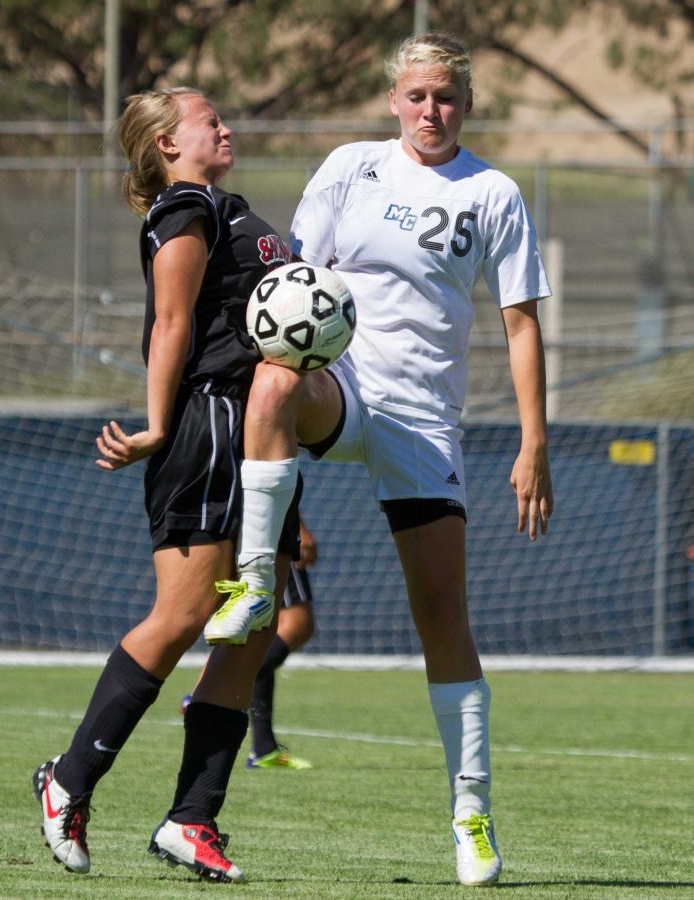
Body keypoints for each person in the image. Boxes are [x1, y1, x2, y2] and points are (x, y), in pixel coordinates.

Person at [203, 31, 554, 888]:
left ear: (465, 105)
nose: (429, 110)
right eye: (416, 96)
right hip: (342, 384)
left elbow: (519, 324)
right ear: (393, 99)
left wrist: (533, 441)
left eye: (445, 97)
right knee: (276, 382)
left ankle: (470, 811)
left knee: (443, 620)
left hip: (423, 421)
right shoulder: (350, 166)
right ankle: (254, 578)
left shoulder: (493, 193)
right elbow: (291, 284)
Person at [30, 86, 299, 884]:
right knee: (184, 614)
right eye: (204, 118)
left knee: (251, 630)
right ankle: (69, 778)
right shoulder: (184, 207)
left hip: (258, 432)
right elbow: (172, 322)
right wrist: (153, 426)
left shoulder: (224, 204)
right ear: (165, 147)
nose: (222, 124)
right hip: (210, 426)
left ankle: (192, 819)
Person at [181, 516, 318, 770]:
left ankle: (264, 748)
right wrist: (299, 528)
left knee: (263, 628)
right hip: (267, 524)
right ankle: (204, 693)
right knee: (296, 624)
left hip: (243, 523)